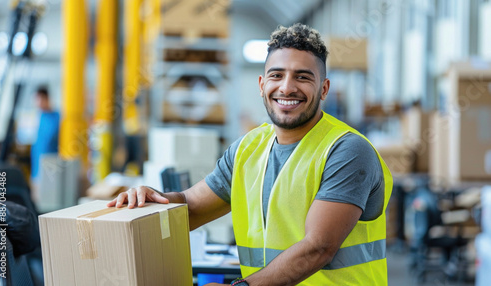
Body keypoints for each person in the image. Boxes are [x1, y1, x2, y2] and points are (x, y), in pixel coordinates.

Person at [109, 23, 393, 286]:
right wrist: (153, 200)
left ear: (324, 89)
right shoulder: (247, 148)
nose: (287, 87)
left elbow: (318, 247)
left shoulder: (346, 150)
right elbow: (191, 207)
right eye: (277, 75)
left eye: (303, 77)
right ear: (261, 85)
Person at [31, 86, 60, 180]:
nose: (37, 103)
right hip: (37, 166)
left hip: (52, 164)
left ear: (46, 98)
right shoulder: (38, 117)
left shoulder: (57, 117)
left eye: (39, 99)